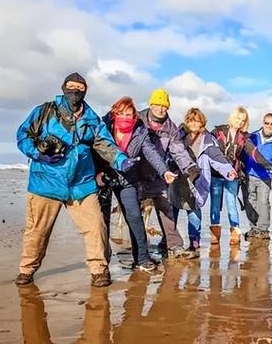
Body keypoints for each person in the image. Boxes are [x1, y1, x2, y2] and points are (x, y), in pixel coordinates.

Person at [15, 72, 134, 287]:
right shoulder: (44, 111)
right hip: (45, 182)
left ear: (85, 91)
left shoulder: (91, 117)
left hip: (81, 183)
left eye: (80, 88)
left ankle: (99, 270)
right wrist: (38, 153)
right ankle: (27, 270)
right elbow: (23, 136)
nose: (75, 92)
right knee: (37, 231)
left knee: (96, 226)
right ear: (63, 88)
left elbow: (104, 143)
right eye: (71, 87)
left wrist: (121, 159)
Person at [94, 97, 178, 272]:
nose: (125, 117)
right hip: (104, 179)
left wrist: (164, 171)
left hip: (127, 179)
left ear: (134, 115)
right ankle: (101, 264)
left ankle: (141, 258)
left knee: (135, 218)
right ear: (114, 113)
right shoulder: (103, 126)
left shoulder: (140, 130)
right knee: (101, 222)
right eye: (121, 113)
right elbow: (93, 149)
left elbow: (150, 151)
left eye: (129, 114)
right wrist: (96, 173)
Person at [137, 89, 199, 259]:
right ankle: (140, 252)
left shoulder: (170, 127)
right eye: (157, 104)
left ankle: (174, 246)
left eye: (164, 106)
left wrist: (190, 167)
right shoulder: (138, 119)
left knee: (166, 209)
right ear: (151, 104)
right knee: (134, 214)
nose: (160, 109)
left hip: (158, 174)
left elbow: (178, 150)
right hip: (135, 174)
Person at [170, 108, 237, 257]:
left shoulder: (207, 140)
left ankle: (194, 243)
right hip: (178, 178)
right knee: (172, 209)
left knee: (193, 210)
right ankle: (169, 242)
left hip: (197, 179)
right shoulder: (179, 136)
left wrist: (228, 170)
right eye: (191, 120)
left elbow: (217, 157)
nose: (194, 123)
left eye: (197, 120)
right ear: (187, 121)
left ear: (202, 122)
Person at [209, 107, 272, 246]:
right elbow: (210, 151)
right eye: (238, 118)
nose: (239, 122)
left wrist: (268, 165)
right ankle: (215, 235)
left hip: (233, 175)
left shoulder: (244, 137)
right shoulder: (217, 132)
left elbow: (253, 152)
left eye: (243, 120)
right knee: (215, 205)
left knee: (231, 203)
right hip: (216, 174)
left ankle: (235, 233)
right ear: (232, 117)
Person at [241, 113, 272, 240]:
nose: (269, 126)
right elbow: (243, 153)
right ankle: (253, 228)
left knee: (263, 202)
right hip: (249, 175)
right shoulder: (252, 137)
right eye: (267, 123)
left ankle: (263, 229)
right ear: (263, 123)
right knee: (250, 202)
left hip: (265, 177)